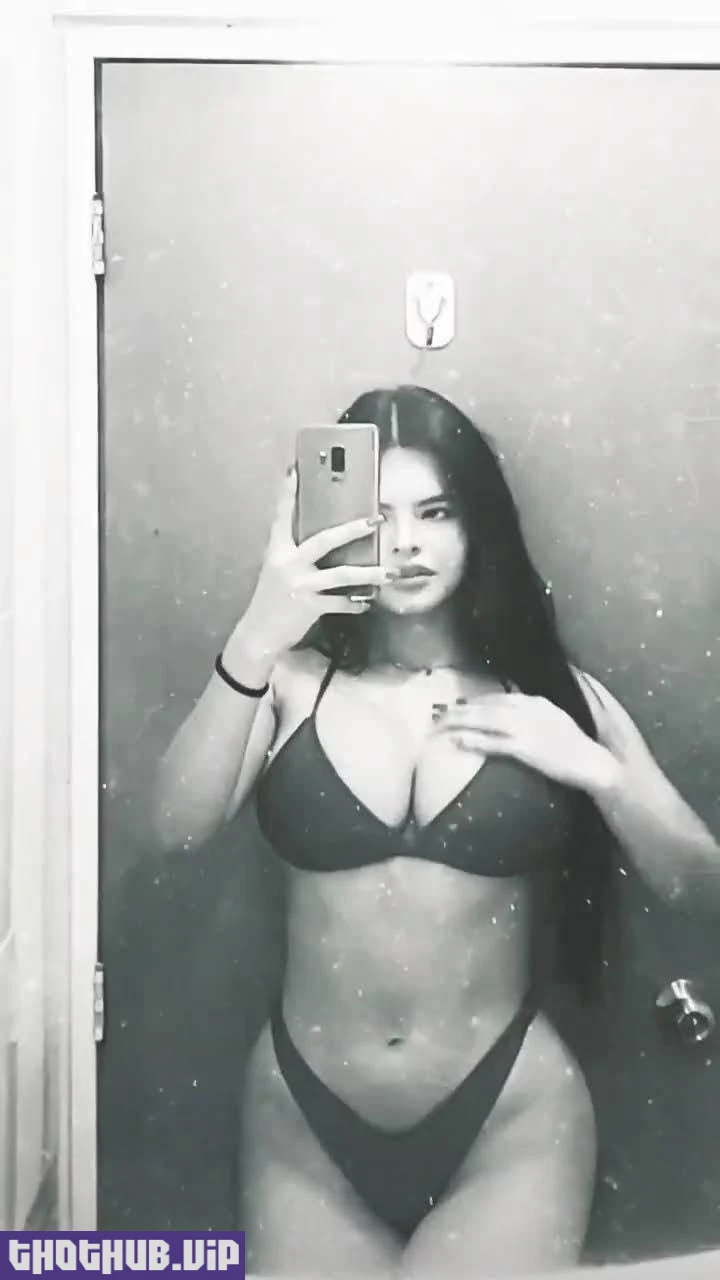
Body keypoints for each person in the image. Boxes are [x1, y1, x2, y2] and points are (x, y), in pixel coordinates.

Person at [151, 385, 720, 1278]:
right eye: (378, 516)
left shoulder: (552, 696)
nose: (408, 542)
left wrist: (594, 768)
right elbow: (174, 828)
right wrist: (259, 631)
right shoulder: (288, 682)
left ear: (477, 525)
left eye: (437, 511)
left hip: (508, 1124)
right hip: (304, 1127)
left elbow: (698, 883)